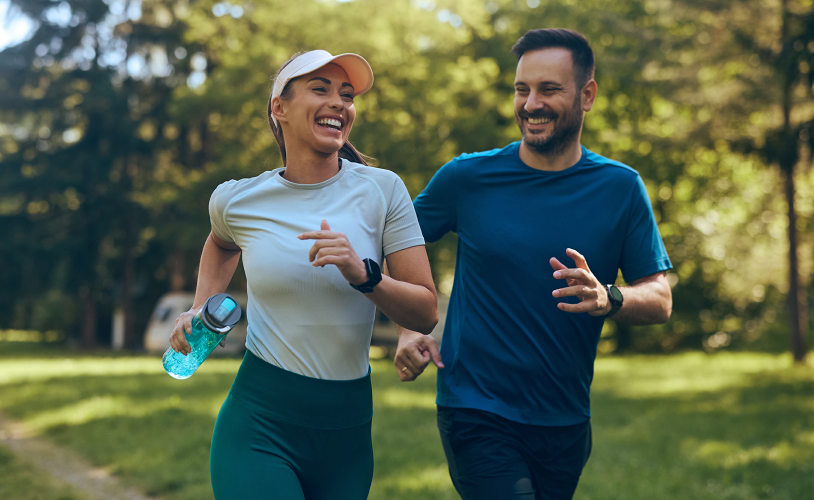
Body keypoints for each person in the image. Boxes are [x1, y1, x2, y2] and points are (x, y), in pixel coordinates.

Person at [394, 29, 673, 500]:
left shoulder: (621, 188)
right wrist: (410, 323)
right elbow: (397, 241)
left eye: (548, 89)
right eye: (522, 90)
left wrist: (609, 297)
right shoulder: (467, 178)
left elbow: (660, 297)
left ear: (587, 95)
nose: (530, 103)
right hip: (475, 408)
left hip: (564, 419)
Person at [169, 50, 438, 500]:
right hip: (259, 425)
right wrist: (200, 305)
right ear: (280, 108)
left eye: (347, 95)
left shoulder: (383, 190)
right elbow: (220, 242)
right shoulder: (238, 200)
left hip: (347, 434)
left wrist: (364, 274)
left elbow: (426, 310)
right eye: (321, 89)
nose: (339, 103)